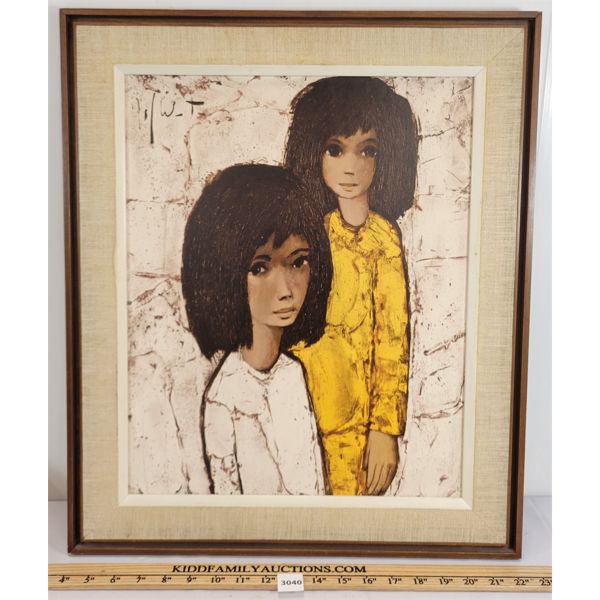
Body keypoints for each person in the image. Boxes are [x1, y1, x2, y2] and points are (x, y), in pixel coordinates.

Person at [284, 76, 418, 496]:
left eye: (367, 150)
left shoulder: (384, 238)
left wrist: (385, 429)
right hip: (301, 405)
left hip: (359, 424)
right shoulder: (306, 234)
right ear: (313, 151)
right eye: (335, 149)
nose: (350, 166)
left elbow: (393, 339)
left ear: (387, 155)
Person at [181, 163, 333, 495]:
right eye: (260, 268)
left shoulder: (292, 373)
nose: (286, 290)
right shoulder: (224, 398)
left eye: (298, 262)